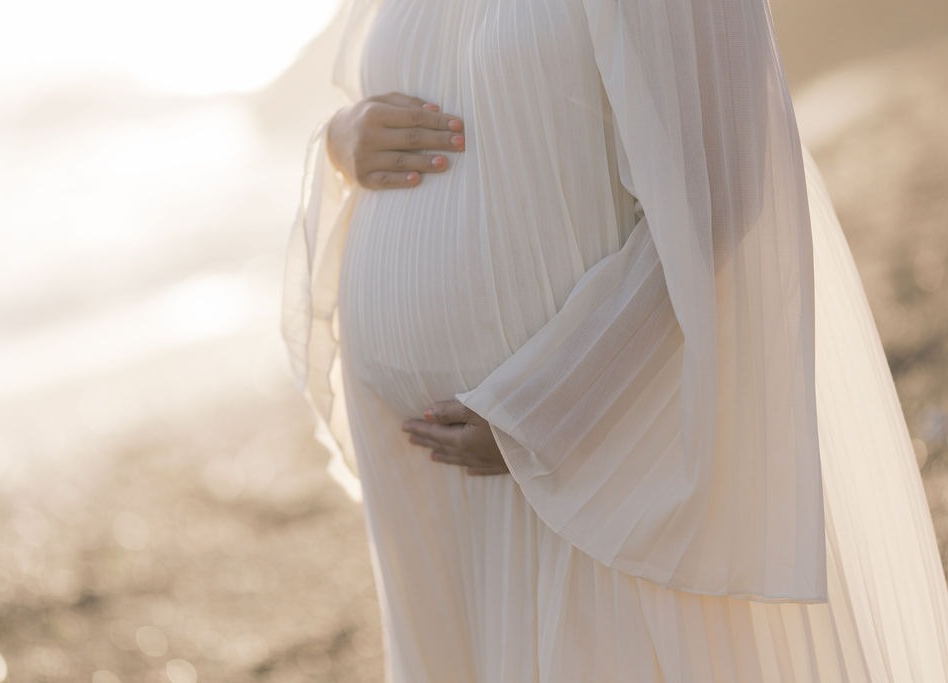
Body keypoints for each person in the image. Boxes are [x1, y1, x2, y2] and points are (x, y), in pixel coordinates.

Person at [283, 0, 948, 679]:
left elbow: (724, 190)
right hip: (427, 475)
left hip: (589, 454)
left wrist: (549, 411)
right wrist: (343, 136)